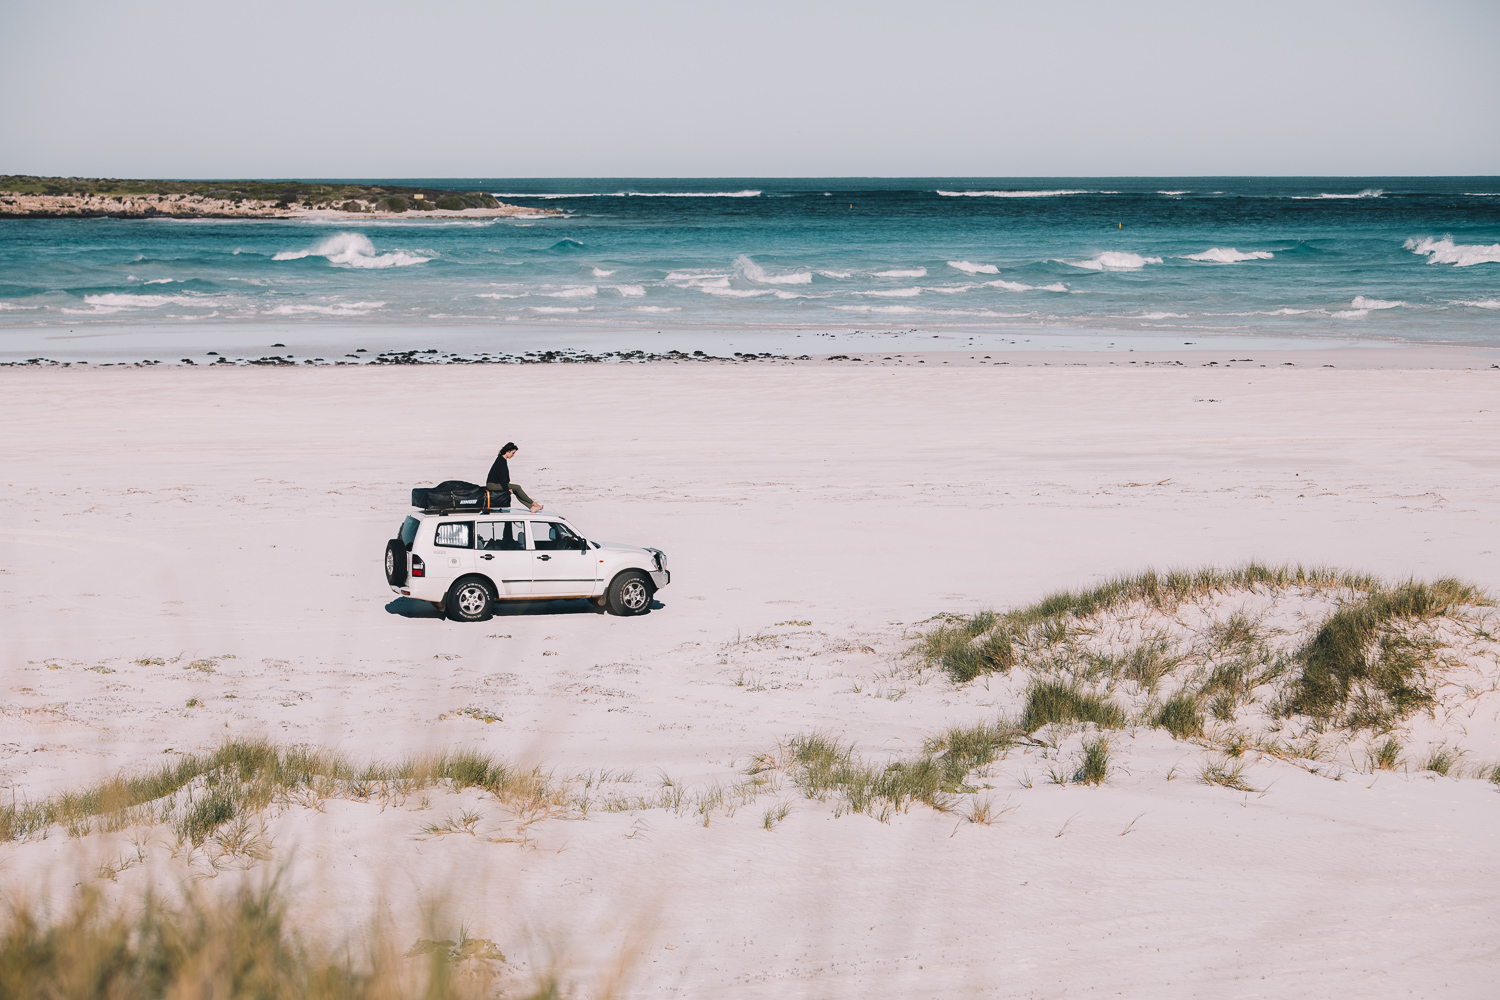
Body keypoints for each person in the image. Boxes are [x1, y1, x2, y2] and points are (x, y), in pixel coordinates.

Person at [486, 442, 543, 512]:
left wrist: (507, 487)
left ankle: (531, 507)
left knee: (516, 490)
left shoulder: (502, 459)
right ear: (507, 451)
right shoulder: (501, 461)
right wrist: (506, 489)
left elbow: (504, 478)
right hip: (492, 485)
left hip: (495, 484)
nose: (513, 455)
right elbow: (502, 478)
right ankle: (534, 504)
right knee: (517, 487)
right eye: (512, 453)